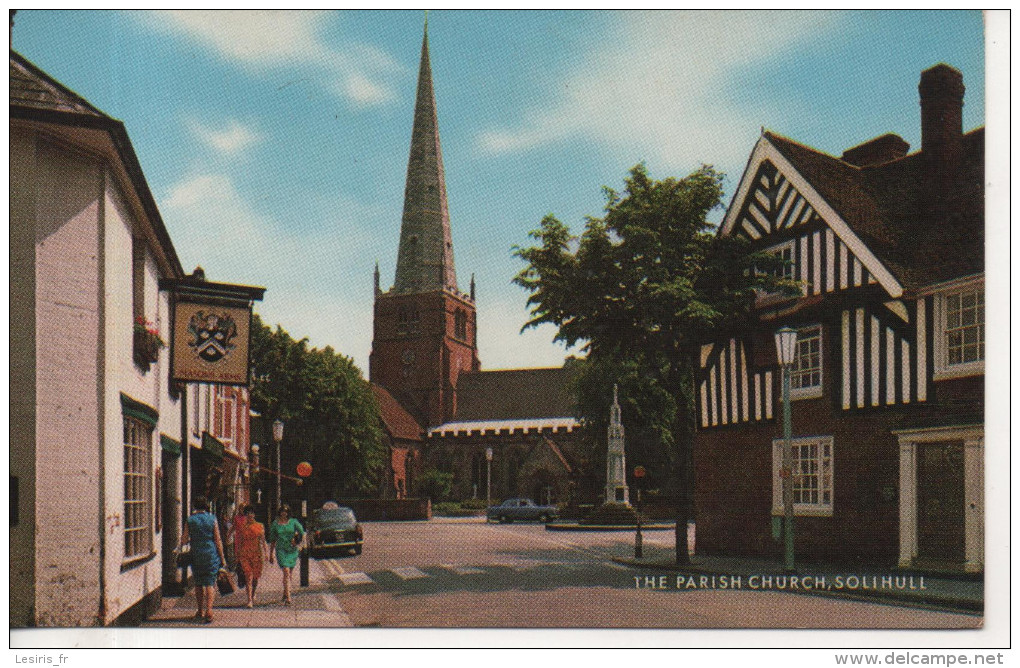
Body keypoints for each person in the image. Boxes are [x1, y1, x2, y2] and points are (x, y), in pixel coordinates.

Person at [180, 496, 226, 623]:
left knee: (198, 583)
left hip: (196, 554)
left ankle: (200, 610)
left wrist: (189, 541)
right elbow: (218, 540)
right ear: (206, 506)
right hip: (211, 554)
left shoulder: (190, 520)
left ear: (195, 506)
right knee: (210, 583)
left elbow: (184, 540)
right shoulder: (212, 519)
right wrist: (222, 558)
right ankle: (209, 610)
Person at [267, 504, 304, 605]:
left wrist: (297, 541)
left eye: (286, 511)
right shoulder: (275, 524)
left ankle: (285, 593)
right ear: (280, 512)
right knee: (286, 572)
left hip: (292, 550)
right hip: (281, 550)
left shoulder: (294, 522)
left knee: (289, 574)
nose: (284, 513)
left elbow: (302, 533)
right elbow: (272, 540)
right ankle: (289, 598)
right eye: (282, 511)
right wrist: (271, 554)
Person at [235, 505, 266, 607]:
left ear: (254, 514)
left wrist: (266, 553)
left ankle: (253, 594)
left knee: (255, 577)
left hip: (256, 554)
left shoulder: (260, 526)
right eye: (247, 513)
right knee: (248, 576)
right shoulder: (242, 527)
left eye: (251, 513)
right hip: (244, 554)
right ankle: (249, 600)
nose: (249, 515)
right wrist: (237, 554)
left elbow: (263, 541)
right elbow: (240, 541)